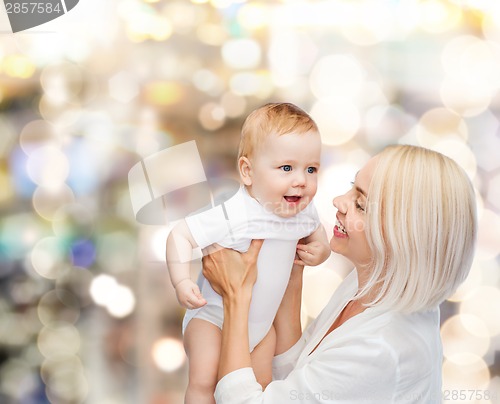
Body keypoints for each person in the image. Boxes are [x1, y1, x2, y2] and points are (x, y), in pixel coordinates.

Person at [202, 144, 478, 403]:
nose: (338, 201)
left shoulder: (380, 349)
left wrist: (236, 296)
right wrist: (293, 275)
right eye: (351, 188)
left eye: (361, 205)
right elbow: (299, 374)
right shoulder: (373, 283)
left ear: (405, 238)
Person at [166, 103, 331, 403]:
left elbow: (318, 235)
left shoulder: (303, 213)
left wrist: (321, 251)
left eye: (311, 169)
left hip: (261, 328)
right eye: (286, 168)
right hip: (214, 319)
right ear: (247, 172)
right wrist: (181, 281)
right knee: (204, 382)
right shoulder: (235, 213)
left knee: (261, 388)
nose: (301, 180)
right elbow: (180, 234)